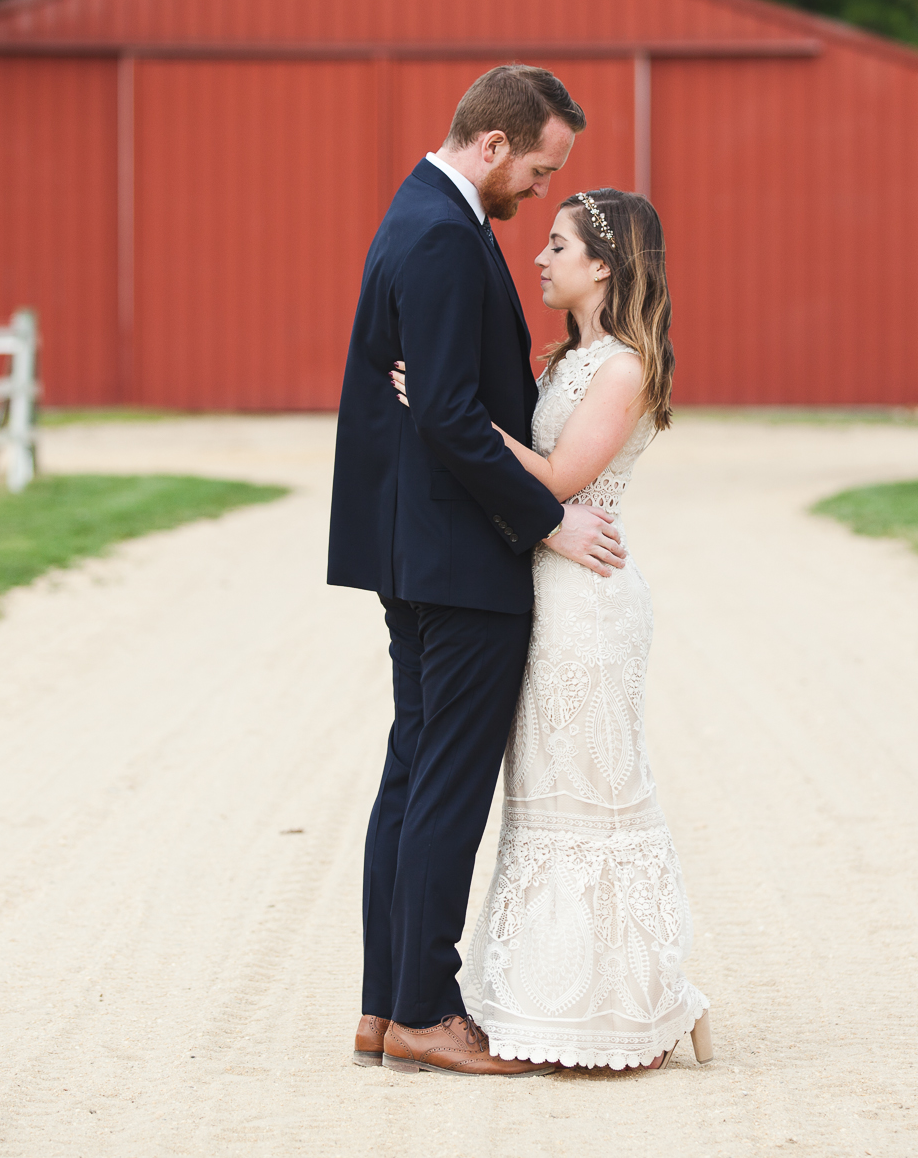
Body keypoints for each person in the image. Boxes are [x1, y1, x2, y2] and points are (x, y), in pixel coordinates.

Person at [328, 65, 626, 1077]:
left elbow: (428, 398)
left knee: (411, 776)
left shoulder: (413, 217)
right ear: (493, 146)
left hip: (415, 547)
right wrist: (547, 521)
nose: (539, 191)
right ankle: (422, 1008)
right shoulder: (446, 239)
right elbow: (451, 414)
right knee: (445, 785)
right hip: (459, 559)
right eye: (539, 169)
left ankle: (383, 1004)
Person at [389, 188, 712, 1072]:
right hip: (548, 591)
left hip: (591, 603)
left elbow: (563, 475)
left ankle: (631, 1004)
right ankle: (551, 1000)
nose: (540, 256)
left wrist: (452, 414)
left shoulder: (625, 367)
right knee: (544, 801)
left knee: (591, 798)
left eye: (559, 243)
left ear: (602, 264)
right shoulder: (568, 359)